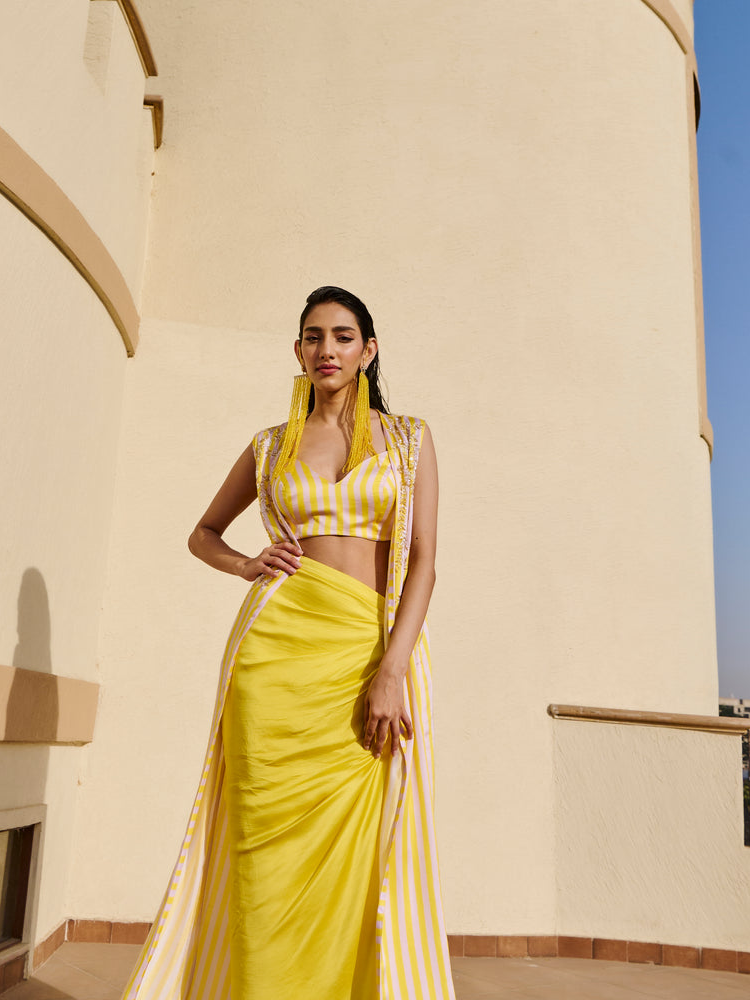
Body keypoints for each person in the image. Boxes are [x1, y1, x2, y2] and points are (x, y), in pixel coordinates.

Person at [122, 287, 455, 1000]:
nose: (326, 349)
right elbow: (202, 534)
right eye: (312, 337)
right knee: (263, 858)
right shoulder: (271, 444)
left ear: (369, 350)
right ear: (298, 351)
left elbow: (423, 559)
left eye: (342, 336)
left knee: (361, 858)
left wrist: (391, 667)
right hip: (273, 661)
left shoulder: (409, 440)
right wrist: (247, 563)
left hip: (367, 659)